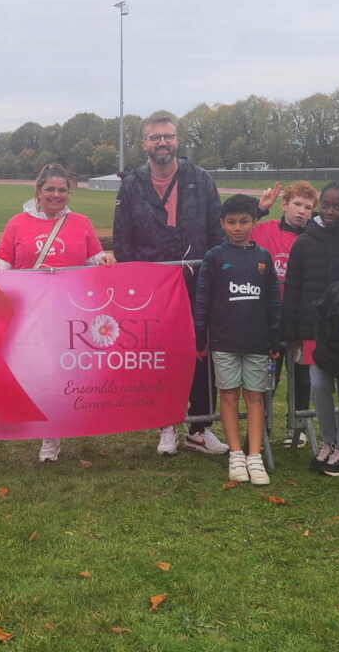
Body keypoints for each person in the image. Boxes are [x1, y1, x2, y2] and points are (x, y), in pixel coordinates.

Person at [0, 162, 114, 462]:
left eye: (62, 190)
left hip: (73, 311)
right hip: (33, 312)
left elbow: (94, 257)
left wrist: (104, 259)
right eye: (50, 189)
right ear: (38, 191)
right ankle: (50, 435)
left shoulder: (81, 222)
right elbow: (4, 258)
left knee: (73, 370)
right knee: (43, 373)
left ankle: (76, 421)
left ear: (69, 193)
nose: (56, 195)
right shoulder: (17, 223)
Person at [112, 116, 229, 456]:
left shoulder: (200, 179)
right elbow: (122, 238)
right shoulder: (132, 184)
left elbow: (217, 231)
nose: (162, 142)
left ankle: (200, 426)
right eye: (154, 137)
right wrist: (136, 280)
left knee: (201, 350)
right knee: (158, 354)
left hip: (197, 280)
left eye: (168, 136)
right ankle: (166, 424)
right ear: (144, 144)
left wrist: (212, 273)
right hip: (153, 287)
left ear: (177, 140)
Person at [194, 195, 280, 485]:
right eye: (231, 222)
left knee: (255, 397)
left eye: (244, 221)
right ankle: (236, 454)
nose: (238, 227)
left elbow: (272, 302)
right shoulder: (214, 257)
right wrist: (199, 338)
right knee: (228, 396)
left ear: (254, 222)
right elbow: (202, 301)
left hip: (256, 342)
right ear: (222, 223)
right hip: (223, 342)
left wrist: (274, 338)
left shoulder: (263, 258)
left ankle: (254, 456)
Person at [281, 182, 339, 476]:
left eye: (337, 206)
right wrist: (291, 332)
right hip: (315, 330)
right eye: (326, 205)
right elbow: (293, 289)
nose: (330, 211)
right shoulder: (305, 241)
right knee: (319, 387)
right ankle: (328, 443)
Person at [251, 180, 317, 448]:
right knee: (269, 376)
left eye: (308, 207)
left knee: (302, 374)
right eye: (297, 204)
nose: (302, 211)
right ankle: (262, 426)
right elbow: (235, 232)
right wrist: (259, 210)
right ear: (285, 204)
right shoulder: (265, 230)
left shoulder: (313, 237)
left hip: (302, 319)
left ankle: (299, 426)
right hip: (270, 319)